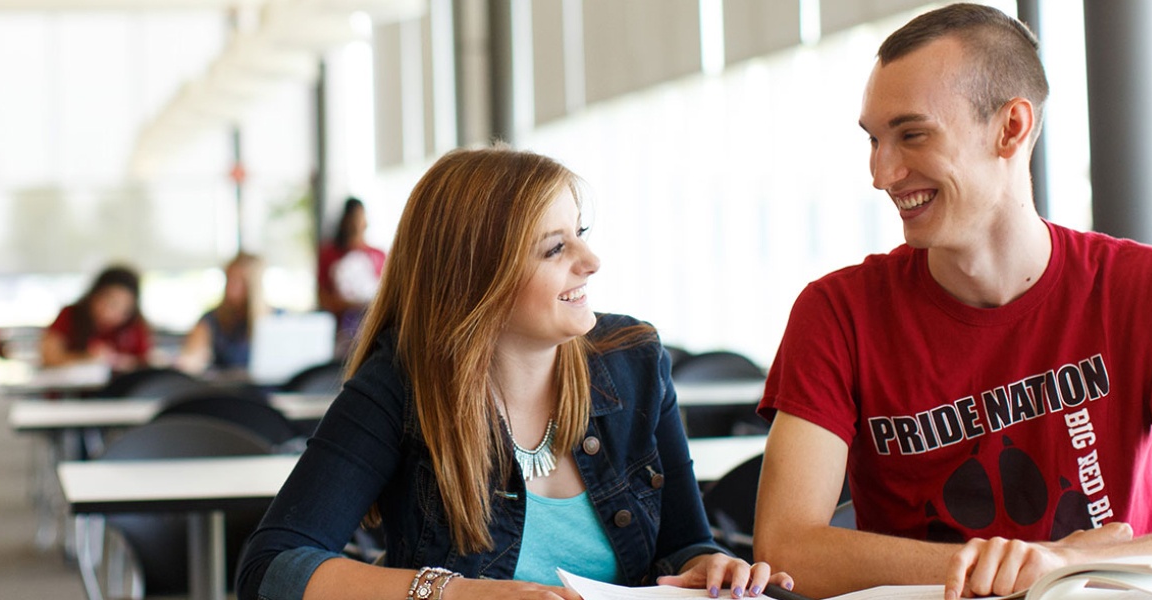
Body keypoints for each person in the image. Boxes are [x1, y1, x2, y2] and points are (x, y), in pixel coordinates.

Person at [753, 4, 1152, 599]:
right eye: (874, 141)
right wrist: (1043, 565)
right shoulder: (836, 313)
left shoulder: (1148, 289)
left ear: (1011, 128)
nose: (882, 173)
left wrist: (1049, 565)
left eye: (912, 135)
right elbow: (787, 547)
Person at [238, 147, 791, 600]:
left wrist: (711, 566)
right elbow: (269, 570)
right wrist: (451, 594)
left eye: (580, 231)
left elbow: (684, 543)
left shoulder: (634, 360)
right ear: (478, 279)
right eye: (556, 248)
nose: (591, 259)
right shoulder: (400, 389)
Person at [39, 265, 154, 372]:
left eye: (122, 307)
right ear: (93, 296)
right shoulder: (70, 315)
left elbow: (145, 362)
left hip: (120, 391)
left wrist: (122, 362)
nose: (110, 312)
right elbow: (48, 357)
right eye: (108, 302)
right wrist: (86, 357)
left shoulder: (134, 325)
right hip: (72, 391)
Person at [175, 252, 266, 376]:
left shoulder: (277, 320)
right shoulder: (211, 320)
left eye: (240, 282)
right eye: (229, 280)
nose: (231, 288)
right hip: (224, 392)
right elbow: (192, 357)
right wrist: (188, 362)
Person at [317, 197, 387, 357]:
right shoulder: (329, 254)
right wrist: (354, 304)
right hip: (338, 335)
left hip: (370, 333)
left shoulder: (378, 255)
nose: (356, 224)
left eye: (360, 219)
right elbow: (324, 298)